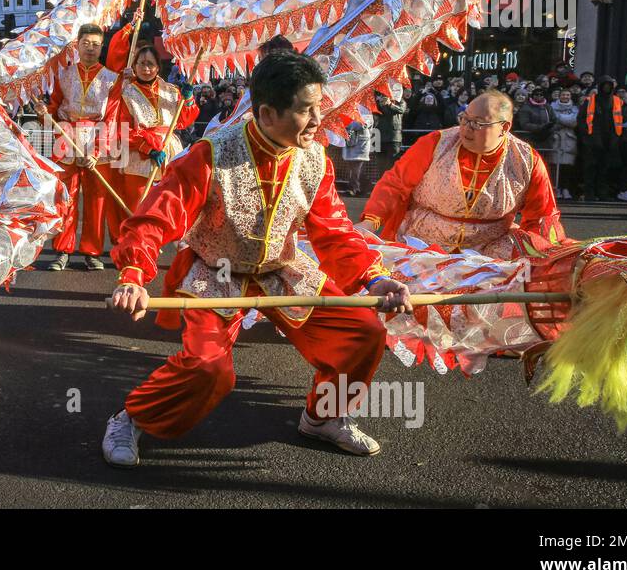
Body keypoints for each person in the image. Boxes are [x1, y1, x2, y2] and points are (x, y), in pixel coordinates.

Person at [100, 53, 413, 468]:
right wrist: (134, 275)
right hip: (216, 272)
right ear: (267, 112)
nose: (320, 119)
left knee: (363, 332)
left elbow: (335, 231)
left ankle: (322, 417)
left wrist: (375, 280)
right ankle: (132, 417)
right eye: (306, 109)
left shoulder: (314, 159)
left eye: (320, 106)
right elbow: (154, 219)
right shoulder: (210, 155)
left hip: (280, 271)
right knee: (208, 369)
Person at [361, 90, 564, 260]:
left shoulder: (527, 160)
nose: (466, 128)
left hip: (489, 251)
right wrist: (370, 222)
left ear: (504, 127)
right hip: (422, 243)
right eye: (465, 118)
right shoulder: (435, 142)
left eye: (477, 123)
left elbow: (542, 216)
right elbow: (395, 184)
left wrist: (547, 254)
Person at [35, 24, 119, 271]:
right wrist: (43, 114)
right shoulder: (64, 74)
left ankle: (92, 251)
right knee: (65, 198)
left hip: (97, 144)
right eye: (86, 43)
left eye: (95, 44)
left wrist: (96, 151)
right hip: (66, 139)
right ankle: (62, 250)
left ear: (101, 46)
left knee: (97, 201)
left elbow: (111, 119)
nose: (90, 48)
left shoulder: (112, 79)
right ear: (77, 45)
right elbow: (54, 108)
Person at [103, 43, 198, 237]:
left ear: (158, 67)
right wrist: (149, 149)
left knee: (168, 203)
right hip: (138, 155)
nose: (146, 69)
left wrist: (187, 100)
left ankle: (159, 242)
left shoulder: (171, 90)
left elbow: (184, 120)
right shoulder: (125, 93)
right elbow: (124, 128)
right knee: (138, 204)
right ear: (135, 66)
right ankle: (138, 246)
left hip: (170, 152)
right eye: (142, 63)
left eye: (151, 64)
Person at [579, 76, 623, 201]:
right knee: (590, 168)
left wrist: (615, 139)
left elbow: (619, 120)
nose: (607, 88)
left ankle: (602, 193)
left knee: (605, 169)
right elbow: (582, 119)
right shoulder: (591, 101)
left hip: (609, 140)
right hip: (592, 141)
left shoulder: (616, 101)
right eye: (604, 85)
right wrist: (587, 138)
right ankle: (590, 193)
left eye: (609, 86)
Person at [548, 88, 579, 201]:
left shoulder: (575, 108)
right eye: (563, 95)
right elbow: (551, 120)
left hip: (569, 140)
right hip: (556, 139)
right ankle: (556, 189)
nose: (565, 97)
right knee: (555, 166)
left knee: (567, 166)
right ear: (559, 96)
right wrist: (566, 120)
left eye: (568, 95)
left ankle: (565, 188)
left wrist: (559, 118)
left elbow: (574, 122)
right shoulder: (551, 107)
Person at [340, 110, 374, 197]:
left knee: (357, 169)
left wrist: (348, 124)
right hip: (351, 143)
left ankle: (355, 189)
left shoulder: (366, 111)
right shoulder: (350, 109)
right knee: (353, 169)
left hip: (361, 145)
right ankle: (363, 187)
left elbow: (363, 124)